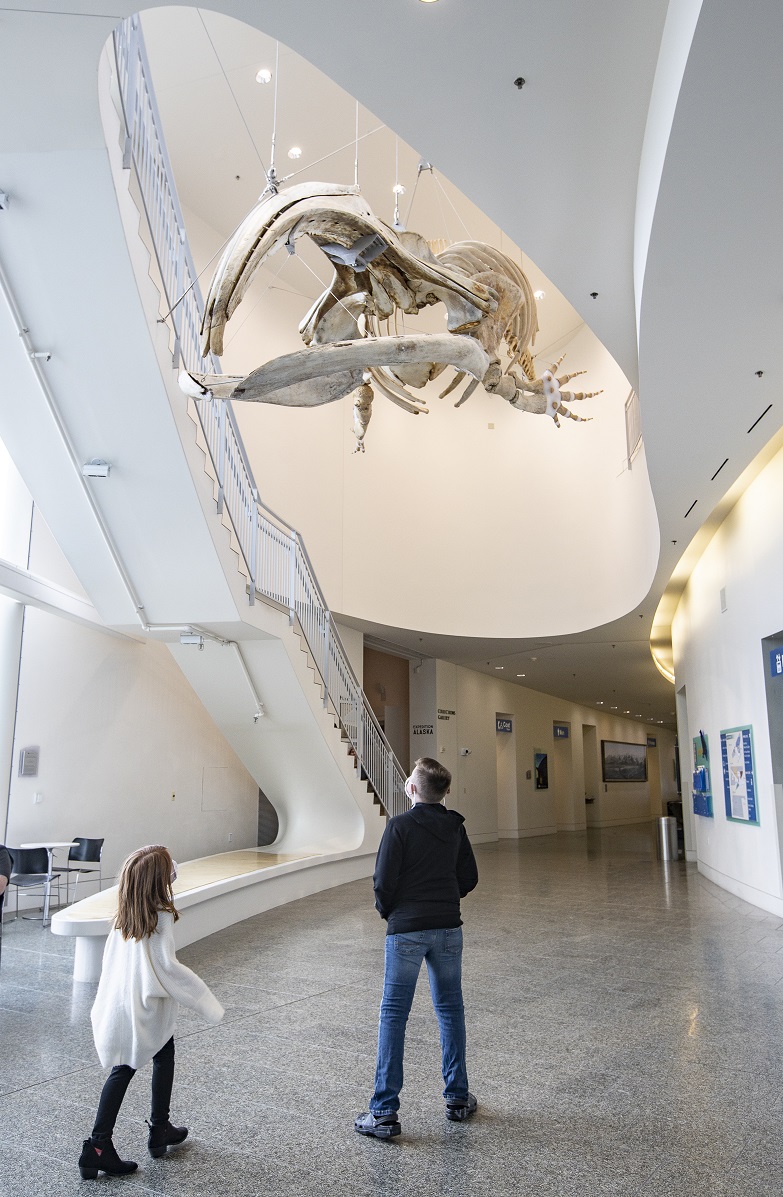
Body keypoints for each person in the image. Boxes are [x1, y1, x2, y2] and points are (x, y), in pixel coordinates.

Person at [78, 844, 224, 1179]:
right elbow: (168, 970)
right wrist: (205, 1001)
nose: (174, 871)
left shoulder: (126, 913)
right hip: (140, 1012)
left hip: (120, 1006)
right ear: (157, 882)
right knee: (125, 1068)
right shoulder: (157, 916)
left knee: (162, 1053)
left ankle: (160, 1128)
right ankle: (98, 1146)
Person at [355, 756, 479, 1139]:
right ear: (445, 792)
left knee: (393, 1015)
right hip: (447, 929)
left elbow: (382, 881)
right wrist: (443, 901)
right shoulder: (455, 827)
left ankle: (384, 1112)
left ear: (411, 789)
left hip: (406, 930)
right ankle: (458, 1097)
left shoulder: (399, 826)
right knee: (450, 1008)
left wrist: (394, 913)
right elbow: (469, 877)